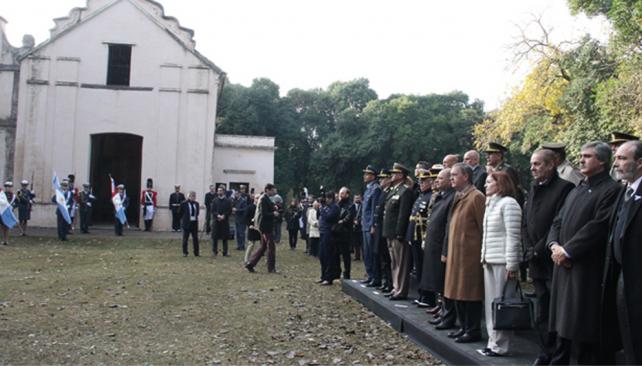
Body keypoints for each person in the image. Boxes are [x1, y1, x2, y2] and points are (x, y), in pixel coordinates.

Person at [546, 141, 621, 364]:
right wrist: (553, 245)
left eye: (587, 156)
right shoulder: (578, 188)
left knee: (579, 326)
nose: (581, 160)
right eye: (581, 155)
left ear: (602, 161)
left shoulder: (611, 190)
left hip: (584, 268)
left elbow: (597, 226)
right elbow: (558, 221)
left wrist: (568, 251)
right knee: (562, 325)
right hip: (562, 264)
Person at [522, 149, 575, 365]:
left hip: (552, 259)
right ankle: (544, 351)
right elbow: (526, 221)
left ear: (551, 165)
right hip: (535, 260)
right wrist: (527, 248)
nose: (533, 168)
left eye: (537, 164)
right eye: (532, 164)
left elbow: (557, 223)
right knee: (541, 310)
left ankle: (559, 355)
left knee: (558, 311)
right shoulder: (533, 188)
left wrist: (537, 249)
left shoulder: (565, 188)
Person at [602, 140, 642, 364]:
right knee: (627, 335)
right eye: (616, 158)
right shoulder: (623, 191)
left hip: (637, 277)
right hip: (621, 275)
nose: (616, 163)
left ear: (640, 163)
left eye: (622, 158)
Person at [477, 171, 522, 357]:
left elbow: (513, 236)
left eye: (489, 182)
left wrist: (512, 264)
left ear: (500, 184)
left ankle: (500, 344)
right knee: (491, 304)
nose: (485, 185)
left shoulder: (509, 204)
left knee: (502, 304)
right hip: (490, 259)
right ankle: (492, 340)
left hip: (503, 262)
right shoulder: (491, 204)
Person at [444, 163, 485, 343]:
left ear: (466, 177)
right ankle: (463, 327)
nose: (451, 178)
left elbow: (483, 227)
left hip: (470, 255)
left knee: (470, 293)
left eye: (454, 175)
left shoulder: (476, 197)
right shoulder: (458, 196)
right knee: (457, 292)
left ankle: (473, 329)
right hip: (456, 254)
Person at [420, 168, 457, 330]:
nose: (436, 181)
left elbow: (448, 226)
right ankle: (442, 311)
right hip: (434, 244)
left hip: (441, 245)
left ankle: (447, 314)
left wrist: (445, 249)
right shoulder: (441, 196)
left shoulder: (452, 198)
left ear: (450, 180)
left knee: (444, 282)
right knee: (438, 281)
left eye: (441, 178)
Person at [382, 163, 414, 300]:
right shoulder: (394, 190)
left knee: (401, 263)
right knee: (394, 262)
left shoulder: (405, 191)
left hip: (397, 233)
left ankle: (400, 289)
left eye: (395, 173)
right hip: (389, 232)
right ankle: (396, 287)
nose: (392, 175)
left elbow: (403, 214)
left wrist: (400, 232)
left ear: (401, 175)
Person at [408, 170, 433, 306]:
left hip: (423, 236)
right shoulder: (421, 196)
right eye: (420, 181)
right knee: (418, 266)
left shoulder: (430, 196)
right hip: (415, 235)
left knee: (423, 267)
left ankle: (427, 296)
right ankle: (421, 293)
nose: (421, 184)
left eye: (424, 181)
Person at [245, 183, 279, 273]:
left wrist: (274, 207)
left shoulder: (266, 198)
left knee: (263, 247)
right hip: (265, 227)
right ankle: (271, 268)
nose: (273, 192)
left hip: (265, 226)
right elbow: (264, 213)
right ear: (267, 190)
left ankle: (250, 263)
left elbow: (268, 208)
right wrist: (273, 213)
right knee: (271, 247)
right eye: (272, 190)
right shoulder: (263, 199)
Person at [360, 165, 382, 286]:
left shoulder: (375, 189)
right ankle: (370, 274)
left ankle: (375, 276)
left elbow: (374, 209)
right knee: (366, 252)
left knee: (372, 252)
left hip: (370, 225)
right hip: (365, 224)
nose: (365, 176)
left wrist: (373, 225)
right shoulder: (368, 189)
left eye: (367, 174)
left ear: (373, 176)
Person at [373, 169, 393, 292]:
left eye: (383, 178)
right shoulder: (383, 192)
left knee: (387, 257)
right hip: (379, 227)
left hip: (384, 227)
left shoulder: (389, 192)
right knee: (382, 256)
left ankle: (389, 282)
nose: (380, 180)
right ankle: (386, 281)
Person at [318, 191, 340, 285]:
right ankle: (323, 276)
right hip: (322, 232)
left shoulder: (335, 207)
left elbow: (328, 217)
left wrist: (322, 209)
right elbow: (319, 216)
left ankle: (329, 277)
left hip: (329, 232)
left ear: (331, 199)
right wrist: (320, 208)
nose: (326, 200)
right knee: (322, 255)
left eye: (327, 198)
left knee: (328, 255)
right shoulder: (325, 207)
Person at [335, 187, 356, 280]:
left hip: (345, 233)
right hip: (336, 233)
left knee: (346, 255)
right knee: (336, 253)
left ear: (347, 194)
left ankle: (347, 272)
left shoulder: (351, 205)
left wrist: (341, 221)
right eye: (340, 193)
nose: (341, 195)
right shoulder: (338, 205)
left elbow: (349, 217)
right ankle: (337, 271)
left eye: (343, 193)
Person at [210, 186, 232, 257]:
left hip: (224, 221)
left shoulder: (228, 201)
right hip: (216, 221)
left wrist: (224, 216)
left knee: (225, 237)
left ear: (223, 192)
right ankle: (214, 251)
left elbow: (229, 210)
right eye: (218, 191)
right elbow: (212, 210)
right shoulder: (214, 200)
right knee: (215, 237)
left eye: (221, 191)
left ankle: (225, 252)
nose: (219, 192)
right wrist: (218, 215)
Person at [180, 191, 200, 257]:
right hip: (186, 223)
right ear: (188, 196)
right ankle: (185, 252)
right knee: (185, 238)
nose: (193, 197)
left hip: (194, 223)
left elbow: (197, 213)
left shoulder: (196, 204)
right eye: (191, 196)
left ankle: (196, 252)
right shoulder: (184, 203)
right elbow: (180, 212)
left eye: (194, 196)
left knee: (195, 238)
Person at [244, 194, 260, 264]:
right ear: (254, 199)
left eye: (259, 198)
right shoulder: (250, 207)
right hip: (252, 228)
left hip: (260, 228)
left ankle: (257, 258)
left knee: (263, 244)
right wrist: (249, 225)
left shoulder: (261, 208)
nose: (258, 200)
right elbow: (245, 218)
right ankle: (246, 260)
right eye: (257, 198)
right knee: (251, 244)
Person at [351, 194, 362, 261]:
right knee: (355, 242)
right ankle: (356, 256)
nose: (357, 199)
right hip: (353, 226)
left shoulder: (363, 206)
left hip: (360, 226)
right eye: (356, 198)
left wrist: (359, 221)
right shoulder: (351, 206)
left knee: (362, 242)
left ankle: (363, 256)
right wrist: (353, 221)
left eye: (358, 198)